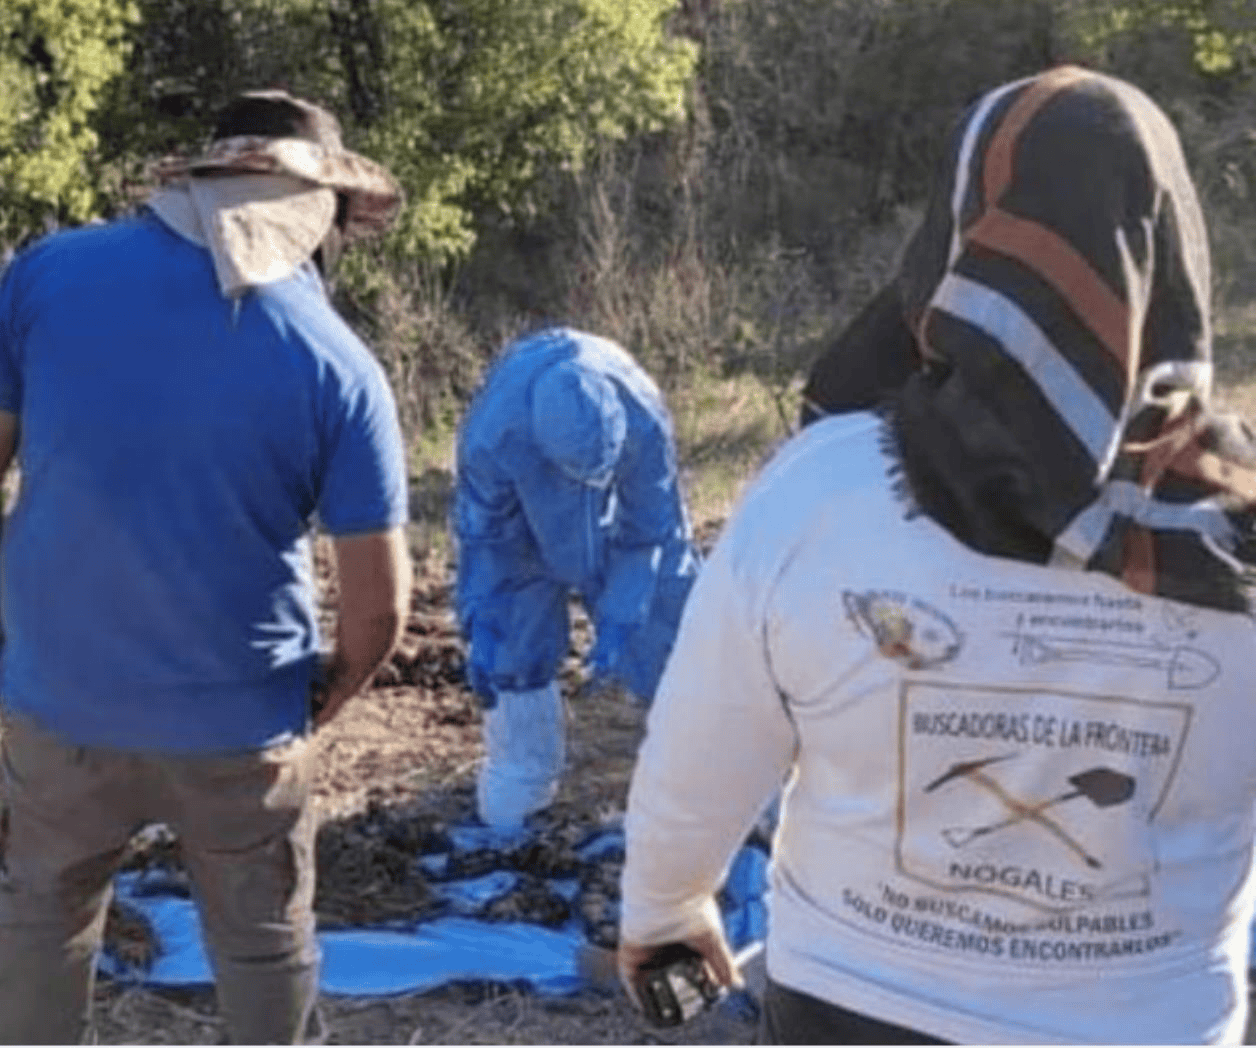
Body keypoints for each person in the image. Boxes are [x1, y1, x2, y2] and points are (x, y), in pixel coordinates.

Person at [618, 65, 1256, 1044]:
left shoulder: (820, 488)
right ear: (1170, 245)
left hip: (853, 1003)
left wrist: (663, 911)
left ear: (957, 236)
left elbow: (702, 747)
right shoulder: (1235, 529)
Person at [0, 90, 412, 1044]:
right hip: (240, 719)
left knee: (38, 929)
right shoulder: (338, 364)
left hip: (59, 703)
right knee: (265, 953)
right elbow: (379, 613)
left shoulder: (48, 276)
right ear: (323, 217)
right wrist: (312, 708)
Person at [455, 327, 699, 831]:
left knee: (670, 620)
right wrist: (486, 621)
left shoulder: (641, 413)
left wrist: (625, 609)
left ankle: (703, 770)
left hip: (615, 525)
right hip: (523, 524)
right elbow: (489, 544)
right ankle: (519, 788)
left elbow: (653, 524)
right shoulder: (493, 436)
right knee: (513, 638)